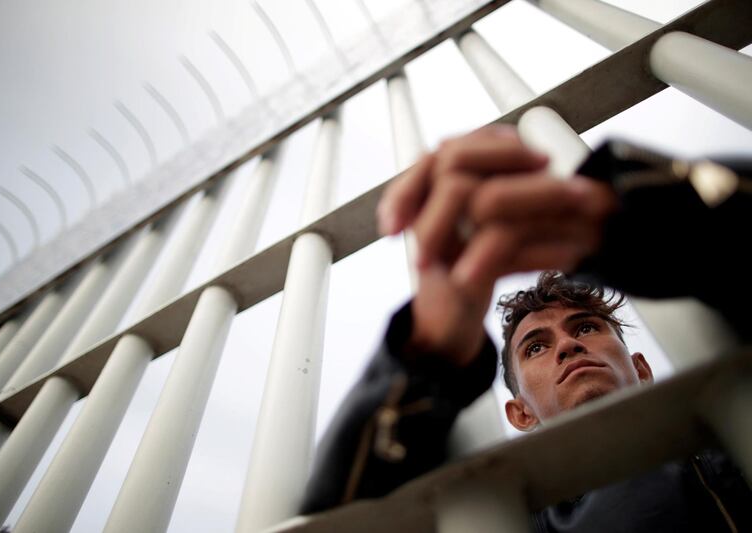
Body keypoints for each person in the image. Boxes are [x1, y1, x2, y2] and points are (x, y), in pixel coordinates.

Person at [300, 126, 752, 531]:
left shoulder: (736, 437)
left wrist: (640, 219)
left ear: (641, 367)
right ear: (520, 414)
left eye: (587, 327)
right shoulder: (505, 518)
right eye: (536, 347)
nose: (569, 346)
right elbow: (342, 522)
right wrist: (426, 360)